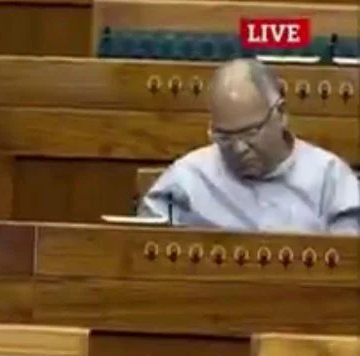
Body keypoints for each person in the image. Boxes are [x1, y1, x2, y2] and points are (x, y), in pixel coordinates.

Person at [139, 58, 360, 234]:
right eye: (224, 136)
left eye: (250, 133)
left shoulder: (331, 180)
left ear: (281, 114)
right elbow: (143, 253)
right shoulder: (186, 181)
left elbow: (348, 263)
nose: (239, 148)